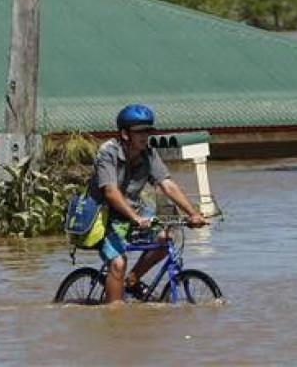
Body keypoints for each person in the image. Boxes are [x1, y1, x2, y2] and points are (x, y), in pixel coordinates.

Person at [87, 103, 208, 305]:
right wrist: (135, 218)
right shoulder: (108, 153)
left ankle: (132, 280)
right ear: (125, 134)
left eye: (148, 131)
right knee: (118, 263)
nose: (146, 136)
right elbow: (110, 191)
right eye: (140, 132)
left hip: (134, 213)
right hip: (104, 216)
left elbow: (167, 185)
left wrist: (192, 213)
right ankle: (114, 315)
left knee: (166, 237)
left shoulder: (149, 154)